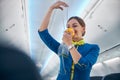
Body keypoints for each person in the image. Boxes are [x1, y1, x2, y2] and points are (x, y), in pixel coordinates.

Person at [38, 1, 100, 80]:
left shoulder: (93, 48)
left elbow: (84, 66)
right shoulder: (62, 47)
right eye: (68, 27)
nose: (71, 29)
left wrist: (70, 45)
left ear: (83, 29)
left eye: (75, 26)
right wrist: (50, 9)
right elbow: (43, 33)